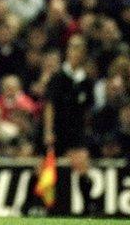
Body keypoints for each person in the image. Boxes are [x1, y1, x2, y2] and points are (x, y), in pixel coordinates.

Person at [43, 34, 95, 214]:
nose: (74, 52)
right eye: (72, 48)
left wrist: (86, 132)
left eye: (78, 49)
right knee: (44, 168)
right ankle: (37, 205)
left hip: (76, 132)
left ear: (83, 53)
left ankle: (87, 207)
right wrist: (48, 131)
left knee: (82, 166)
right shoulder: (58, 77)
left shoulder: (86, 81)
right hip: (58, 129)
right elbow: (50, 105)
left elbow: (88, 110)